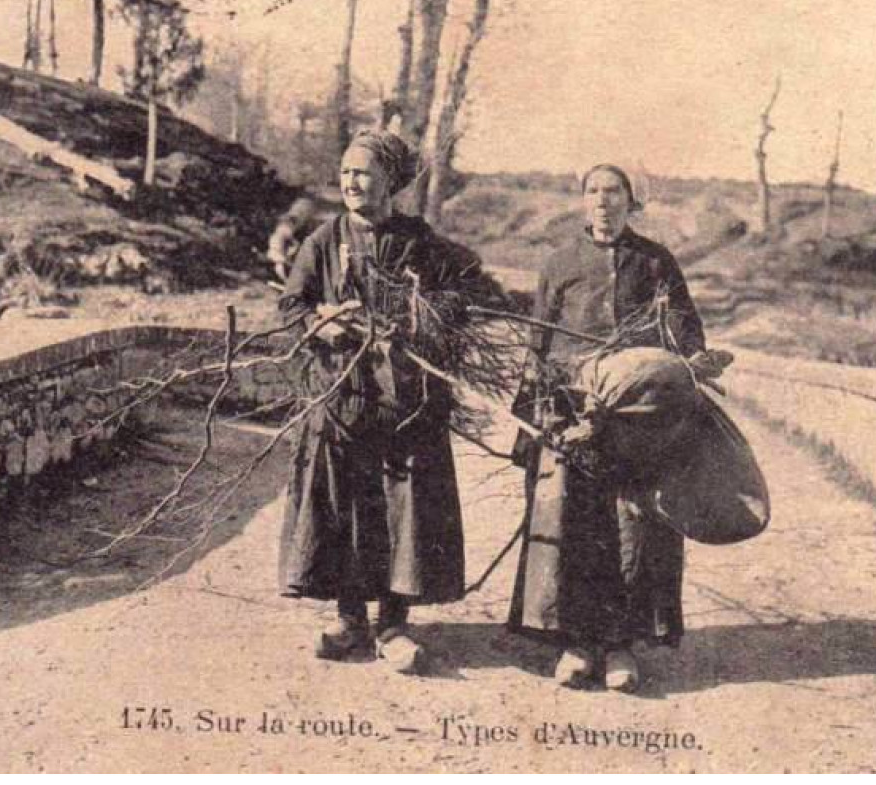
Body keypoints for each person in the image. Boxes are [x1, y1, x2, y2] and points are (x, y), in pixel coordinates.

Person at [277, 130, 497, 675]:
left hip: (407, 403)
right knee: (347, 506)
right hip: (343, 396)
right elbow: (290, 305)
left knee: (403, 509)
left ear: (390, 183)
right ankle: (349, 618)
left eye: (365, 174)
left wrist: (421, 314)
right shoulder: (324, 240)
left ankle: (394, 623)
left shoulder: (421, 242)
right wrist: (317, 322)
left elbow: (471, 292)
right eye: (347, 172)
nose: (353, 182)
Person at [506, 163, 707, 692]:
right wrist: (533, 422)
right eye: (593, 191)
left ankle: (620, 646)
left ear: (630, 200)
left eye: (613, 191)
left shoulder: (656, 262)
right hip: (572, 415)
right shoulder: (560, 263)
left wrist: (680, 370)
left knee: (632, 526)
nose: (602, 201)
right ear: (582, 201)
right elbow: (539, 345)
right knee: (575, 526)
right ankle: (575, 643)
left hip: (635, 422)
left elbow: (685, 332)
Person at [267, 198, 319, 284]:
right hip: (284, 262)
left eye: (306, 214)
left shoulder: (309, 227)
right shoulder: (285, 226)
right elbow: (276, 246)